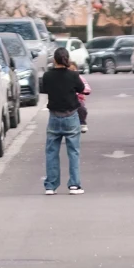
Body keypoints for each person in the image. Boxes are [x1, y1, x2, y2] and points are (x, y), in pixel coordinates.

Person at [40, 46, 85, 193]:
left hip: (54, 116)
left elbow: (43, 89)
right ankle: (74, 185)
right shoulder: (72, 75)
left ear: (54, 60)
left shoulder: (47, 76)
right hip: (71, 116)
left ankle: (51, 186)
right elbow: (81, 88)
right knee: (73, 151)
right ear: (67, 59)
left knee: (52, 151)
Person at [69, 60, 92, 132]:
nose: (72, 72)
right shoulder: (65, 78)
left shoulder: (80, 78)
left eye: (73, 70)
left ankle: (82, 123)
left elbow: (86, 87)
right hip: (67, 100)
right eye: (70, 70)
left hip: (78, 99)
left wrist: (84, 90)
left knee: (82, 108)